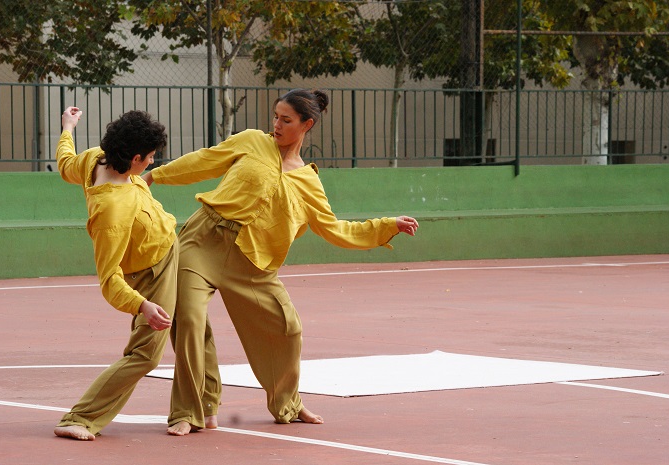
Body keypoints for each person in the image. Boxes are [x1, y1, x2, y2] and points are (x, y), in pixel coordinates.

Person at [142, 89, 420, 435]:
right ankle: (191, 410)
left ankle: (287, 403)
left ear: (307, 124)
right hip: (203, 242)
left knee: (289, 329)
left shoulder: (308, 182)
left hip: (253, 263)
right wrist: (154, 175)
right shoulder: (251, 142)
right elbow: (204, 160)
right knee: (190, 321)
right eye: (275, 116)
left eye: (286, 120)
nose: (276, 125)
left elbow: (335, 229)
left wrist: (385, 226)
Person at [53, 107, 177, 441]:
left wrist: (67, 127)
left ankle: (196, 409)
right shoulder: (111, 211)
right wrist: (143, 306)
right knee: (146, 355)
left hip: (169, 247)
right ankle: (80, 417)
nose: (152, 163)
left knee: (194, 323)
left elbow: (66, 162)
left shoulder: (96, 158)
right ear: (136, 158)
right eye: (150, 157)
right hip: (151, 274)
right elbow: (109, 280)